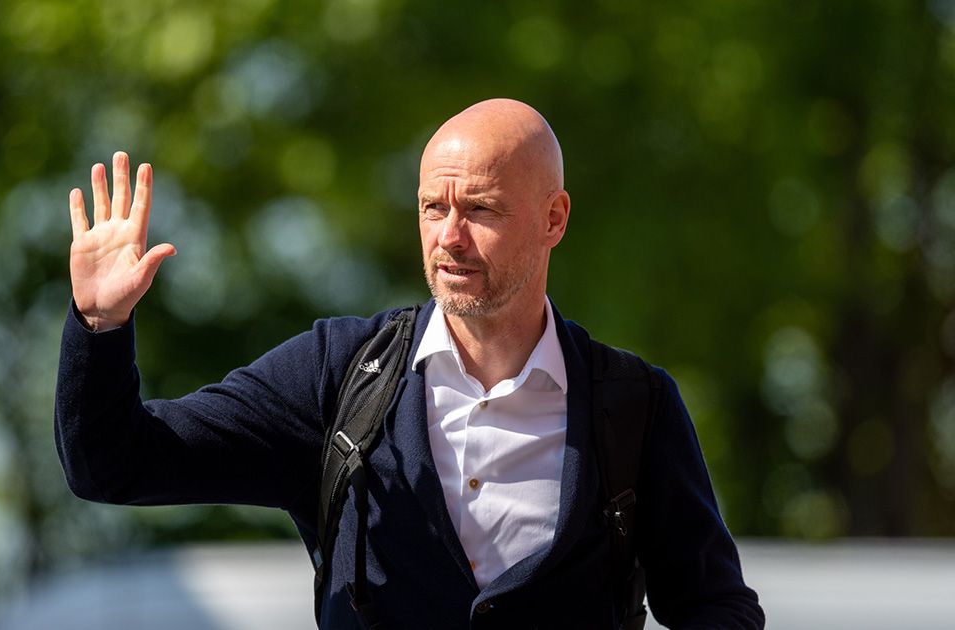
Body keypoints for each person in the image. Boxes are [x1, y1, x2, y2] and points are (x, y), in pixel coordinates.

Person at [55, 98, 765, 629]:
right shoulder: (337, 376)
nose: (449, 237)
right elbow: (114, 465)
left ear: (554, 219)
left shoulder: (631, 406)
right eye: (432, 207)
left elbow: (718, 610)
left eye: (481, 209)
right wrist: (100, 322)